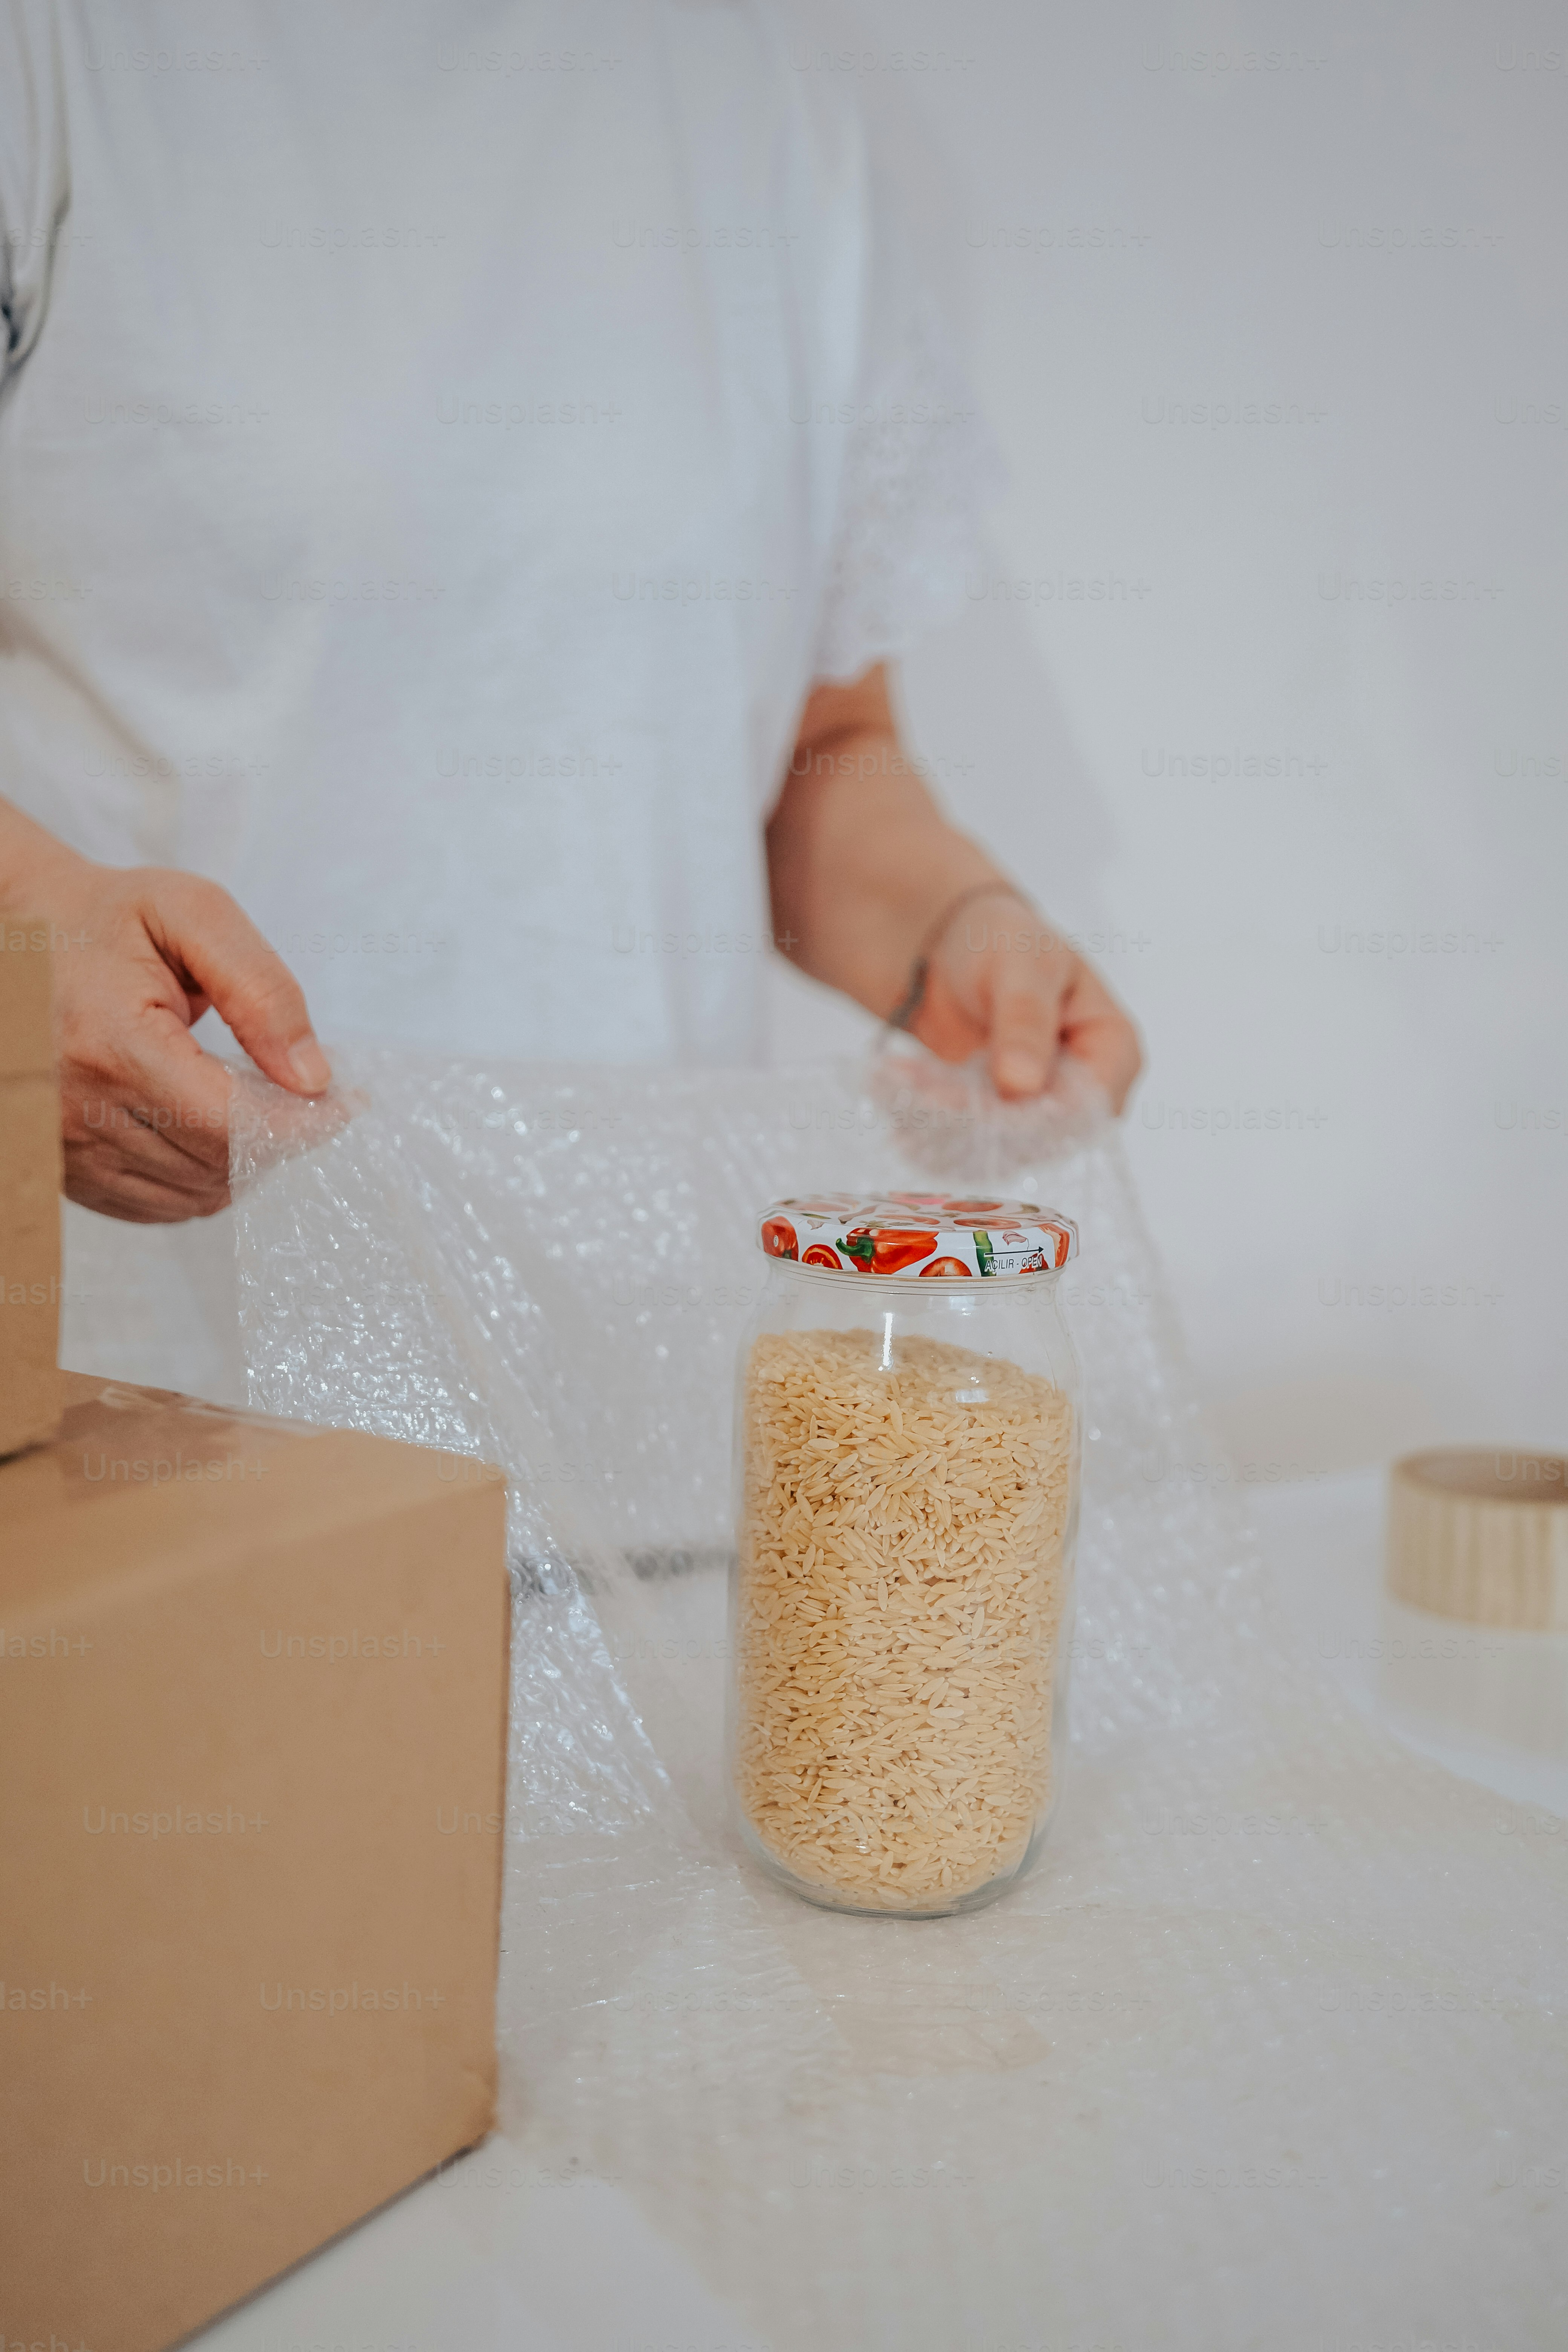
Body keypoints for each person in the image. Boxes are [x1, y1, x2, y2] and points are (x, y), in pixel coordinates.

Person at [0, 2, 1139, 1238]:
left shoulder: (769, 100)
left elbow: (818, 759)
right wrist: (27, 933)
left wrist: (956, 932)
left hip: (648, 1279)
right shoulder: (60, 51)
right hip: (148, 1292)